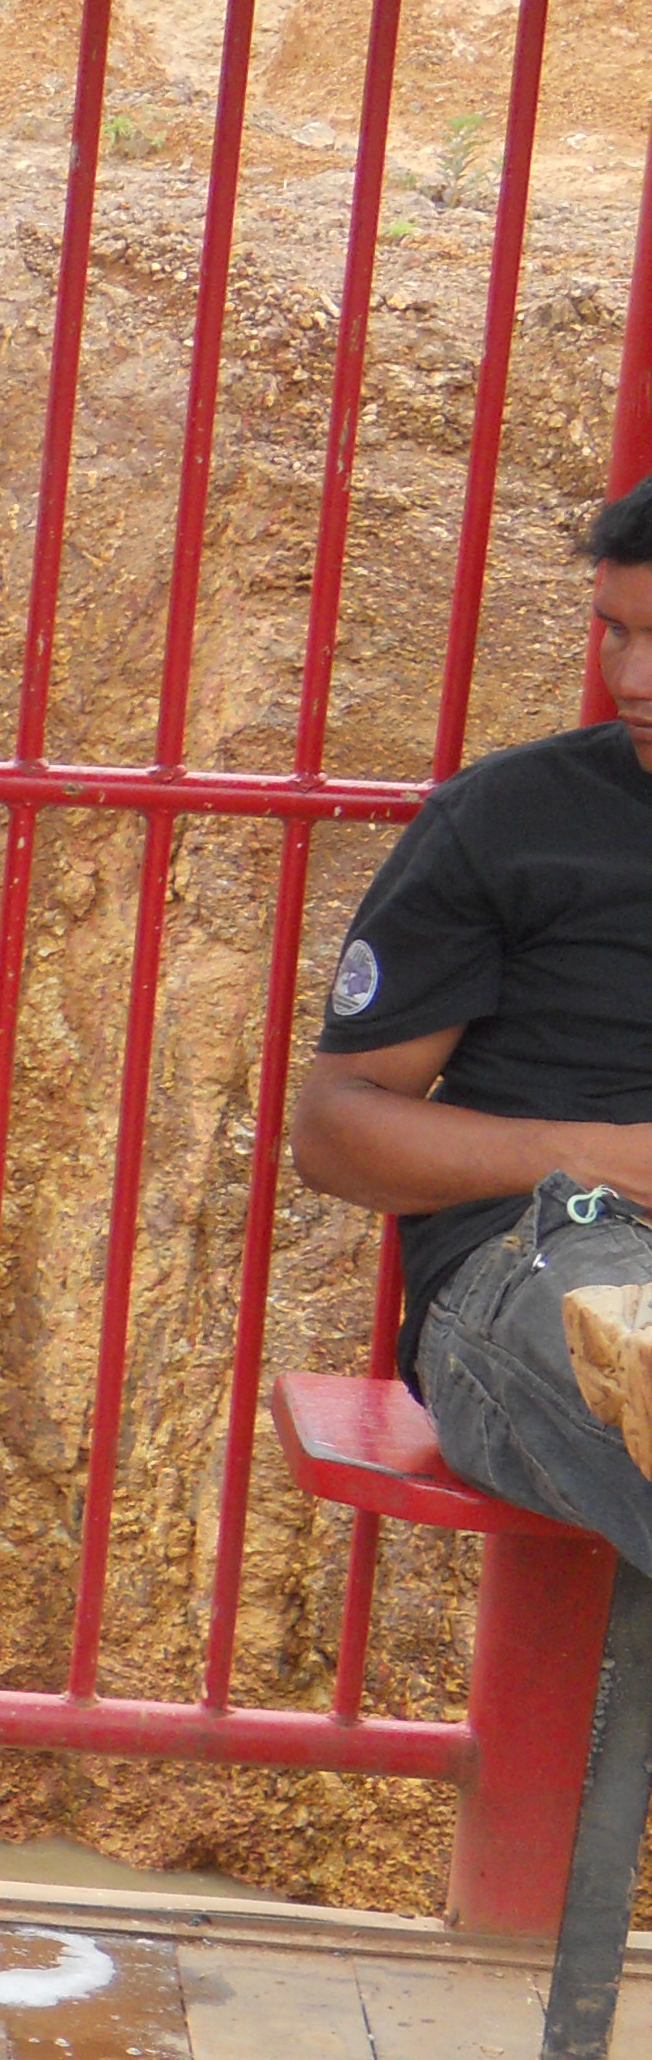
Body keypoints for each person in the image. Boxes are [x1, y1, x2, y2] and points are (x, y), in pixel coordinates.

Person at [295, 473, 652, 1567]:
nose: (631, 678)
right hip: (543, 1260)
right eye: (615, 633)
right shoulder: (510, 819)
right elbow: (333, 1128)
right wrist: (601, 1159)